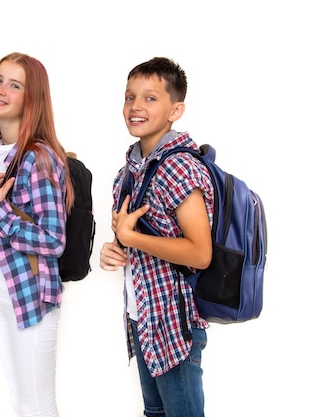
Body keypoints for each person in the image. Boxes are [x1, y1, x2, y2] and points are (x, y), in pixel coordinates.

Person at [0, 52, 74, 417]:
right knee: (21, 404)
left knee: (39, 405)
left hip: (33, 297)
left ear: (31, 98)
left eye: (15, 84)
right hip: (4, 295)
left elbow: (53, 241)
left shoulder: (39, 158)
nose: (1, 89)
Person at [99, 57, 215, 417]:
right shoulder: (128, 172)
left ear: (175, 110)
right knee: (155, 414)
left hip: (173, 322)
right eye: (129, 96)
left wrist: (132, 241)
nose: (135, 106)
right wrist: (113, 251)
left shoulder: (179, 166)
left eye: (150, 98)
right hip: (142, 317)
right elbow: (128, 238)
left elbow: (200, 253)